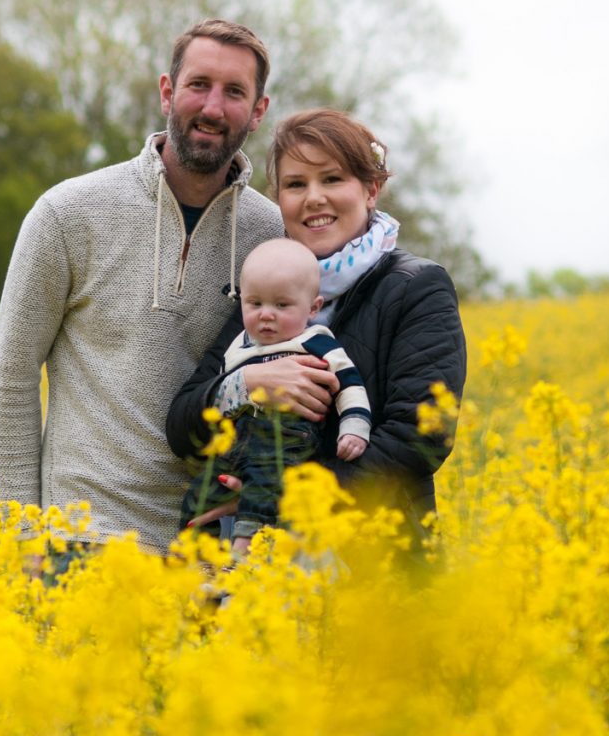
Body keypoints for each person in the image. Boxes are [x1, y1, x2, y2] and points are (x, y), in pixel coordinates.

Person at [0, 19, 284, 562]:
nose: (213, 107)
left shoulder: (272, 235)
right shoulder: (67, 213)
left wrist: (258, 502)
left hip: (206, 556)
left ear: (258, 111)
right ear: (167, 92)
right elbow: (13, 375)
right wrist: (25, 534)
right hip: (81, 542)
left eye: (234, 92)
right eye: (198, 85)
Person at [167, 108, 467, 549]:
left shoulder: (416, 287)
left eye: (332, 179)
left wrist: (281, 499)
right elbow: (183, 426)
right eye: (295, 184)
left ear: (371, 189)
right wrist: (248, 384)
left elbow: (419, 437)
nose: (313, 198)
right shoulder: (268, 290)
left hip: (372, 559)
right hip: (256, 569)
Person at [180, 237, 372, 540]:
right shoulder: (237, 347)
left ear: (313, 308)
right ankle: (201, 552)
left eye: (282, 305)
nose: (266, 315)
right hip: (238, 441)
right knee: (201, 493)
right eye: (255, 304)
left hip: (288, 438)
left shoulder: (315, 341)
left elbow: (350, 384)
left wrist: (354, 427)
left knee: (264, 484)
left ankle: (245, 552)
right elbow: (220, 398)